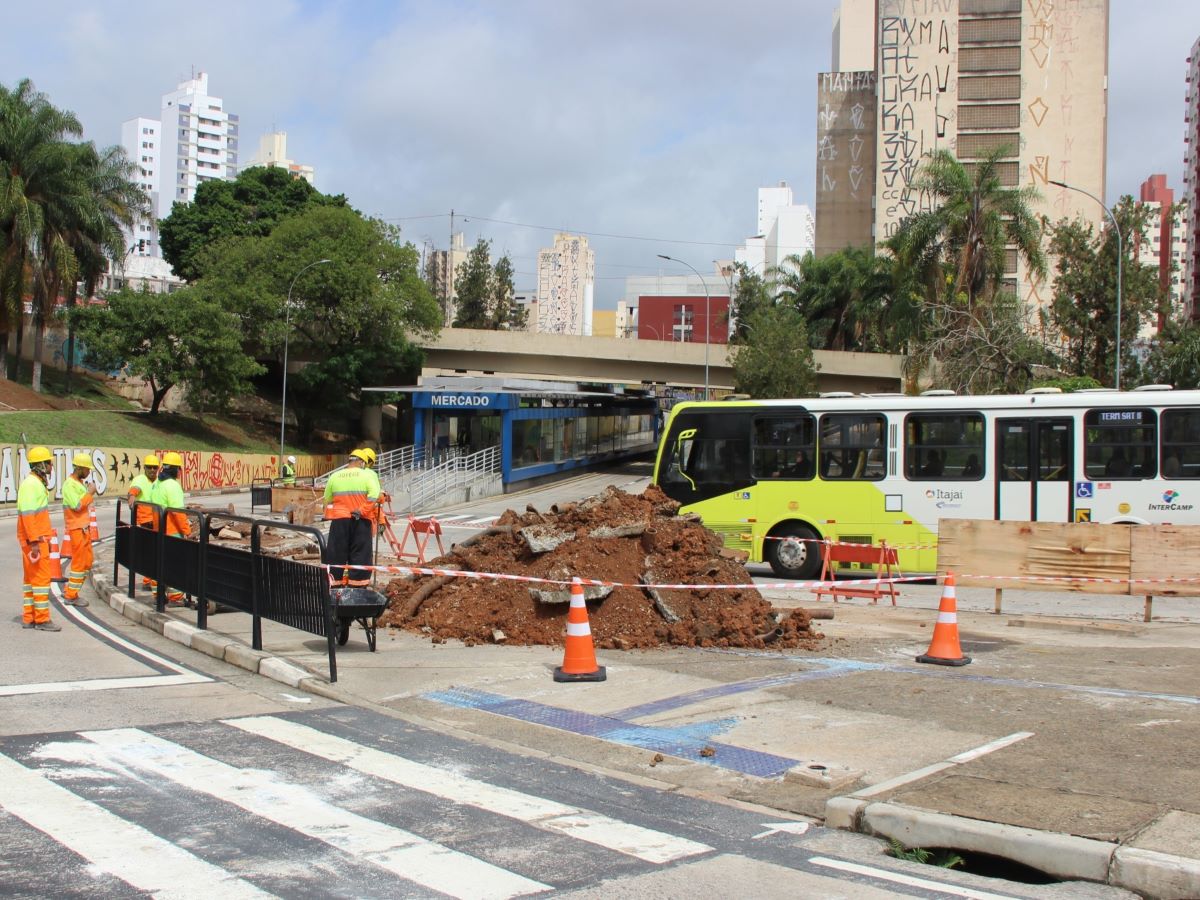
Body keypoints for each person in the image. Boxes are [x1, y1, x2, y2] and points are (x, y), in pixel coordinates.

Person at [17, 446, 61, 631]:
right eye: (49, 462)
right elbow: (28, 515)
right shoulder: (32, 485)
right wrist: (34, 541)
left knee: (30, 580)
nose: (51, 466)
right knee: (41, 581)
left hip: (34, 539)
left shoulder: (33, 483)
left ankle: (29, 617)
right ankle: (42, 620)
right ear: (41, 465)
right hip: (36, 541)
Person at [323, 449, 380, 587]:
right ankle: (358, 586)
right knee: (360, 554)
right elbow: (374, 495)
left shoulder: (335, 476)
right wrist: (362, 510)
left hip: (339, 520)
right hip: (360, 519)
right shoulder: (367, 475)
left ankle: (334, 585)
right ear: (361, 462)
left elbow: (327, 498)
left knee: (336, 553)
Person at [150, 451, 190, 605]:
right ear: (174, 469)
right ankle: (175, 597)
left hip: (158, 530)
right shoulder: (173, 486)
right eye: (179, 468)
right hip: (172, 532)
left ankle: (158, 595)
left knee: (160, 563)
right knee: (175, 565)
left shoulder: (157, 484)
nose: (180, 471)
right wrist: (186, 531)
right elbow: (177, 512)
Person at [61, 452, 97, 607]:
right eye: (87, 469)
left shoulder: (78, 483)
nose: (88, 472)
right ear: (80, 468)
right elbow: (77, 506)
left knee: (87, 562)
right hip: (76, 529)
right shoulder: (69, 484)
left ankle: (70, 590)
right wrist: (89, 493)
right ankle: (71, 596)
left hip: (83, 528)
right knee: (79, 563)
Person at [127, 454, 160, 589]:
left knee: (155, 552)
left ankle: (151, 580)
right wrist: (131, 497)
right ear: (144, 468)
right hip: (145, 521)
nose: (152, 470)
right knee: (150, 552)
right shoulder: (140, 479)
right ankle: (148, 581)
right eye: (149, 467)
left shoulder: (158, 481)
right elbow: (134, 490)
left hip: (156, 519)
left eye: (154, 467)